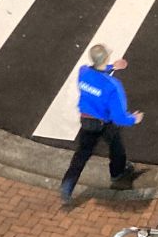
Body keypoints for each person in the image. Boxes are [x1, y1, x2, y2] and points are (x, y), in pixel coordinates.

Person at [59, 43, 144, 206]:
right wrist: (134, 118)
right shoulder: (112, 86)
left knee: (81, 156)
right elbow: (119, 116)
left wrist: (112, 66)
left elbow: (95, 74)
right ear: (106, 58)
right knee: (116, 147)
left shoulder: (83, 72)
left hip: (86, 121)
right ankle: (117, 173)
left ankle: (67, 186)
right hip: (104, 122)